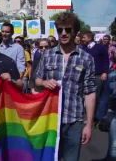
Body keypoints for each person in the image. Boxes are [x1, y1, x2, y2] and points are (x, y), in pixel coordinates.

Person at [35, 12, 96, 161]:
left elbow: (90, 93)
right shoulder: (47, 55)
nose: (63, 33)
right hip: (50, 119)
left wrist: (88, 124)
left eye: (68, 30)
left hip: (74, 120)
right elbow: (37, 80)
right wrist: (44, 83)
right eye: (60, 30)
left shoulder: (86, 58)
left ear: (75, 32)